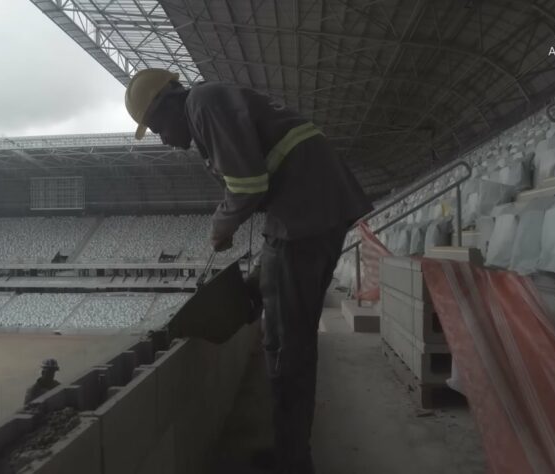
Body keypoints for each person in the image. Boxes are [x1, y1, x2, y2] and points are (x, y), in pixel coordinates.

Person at [125, 69, 372, 473]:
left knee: (288, 347)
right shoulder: (210, 103)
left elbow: (247, 184)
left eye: (156, 127)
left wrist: (220, 227)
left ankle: (293, 462)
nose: (164, 140)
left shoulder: (202, 104)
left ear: (170, 104)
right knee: (281, 323)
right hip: (307, 211)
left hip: (304, 213)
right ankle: (291, 453)